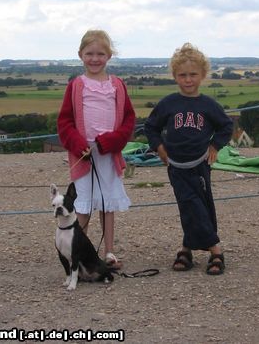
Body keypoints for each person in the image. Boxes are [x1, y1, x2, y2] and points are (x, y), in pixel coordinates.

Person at [144, 43, 233, 275]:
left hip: (200, 163)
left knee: (200, 205)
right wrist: (159, 148)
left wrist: (215, 145)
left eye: (193, 74)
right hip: (176, 165)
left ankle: (192, 248)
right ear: (175, 76)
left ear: (202, 75)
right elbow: (151, 126)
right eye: (182, 75)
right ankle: (214, 249)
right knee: (190, 204)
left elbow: (226, 126)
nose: (188, 79)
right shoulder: (168, 104)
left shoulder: (208, 105)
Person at [57, 30, 135, 269]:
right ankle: (79, 255)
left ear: (109, 56)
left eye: (100, 53)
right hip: (84, 156)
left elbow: (129, 119)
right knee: (82, 205)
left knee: (107, 203)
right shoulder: (76, 85)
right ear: (80, 55)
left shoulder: (117, 86)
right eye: (89, 53)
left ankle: (109, 251)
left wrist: (112, 141)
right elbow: (65, 121)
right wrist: (79, 145)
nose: (95, 58)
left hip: (108, 154)